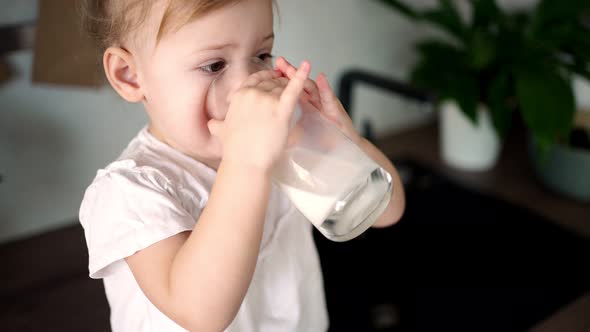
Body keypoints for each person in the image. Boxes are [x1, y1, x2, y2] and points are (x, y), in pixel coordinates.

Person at [78, 0, 406, 331]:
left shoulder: (280, 145)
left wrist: (345, 142)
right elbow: (200, 314)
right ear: (130, 76)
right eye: (214, 65)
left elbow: (387, 211)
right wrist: (246, 162)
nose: (247, 82)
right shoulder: (128, 192)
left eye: (261, 55)